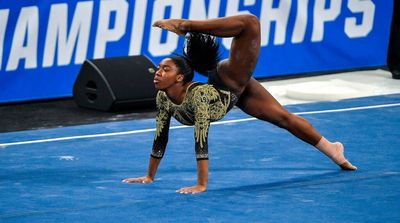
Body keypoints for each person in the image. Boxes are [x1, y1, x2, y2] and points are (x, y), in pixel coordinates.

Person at [122, 14, 357, 194]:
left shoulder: (198, 97)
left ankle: (187, 25)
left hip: (229, 81)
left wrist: (201, 184)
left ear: (180, 77)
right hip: (232, 95)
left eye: (166, 69)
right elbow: (160, 137)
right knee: (283, 118)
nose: (157, 73)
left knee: (250, 22)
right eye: (159, 68)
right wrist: (149, 176)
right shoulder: (163, 98)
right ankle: (332, 149)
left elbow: (201, 139)